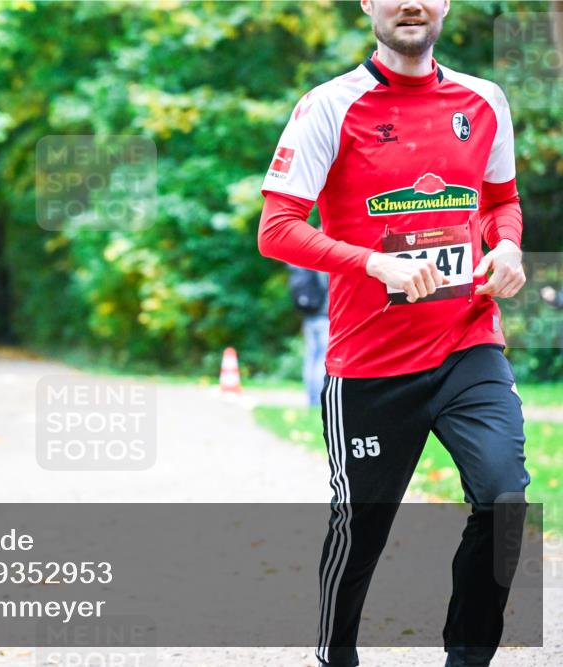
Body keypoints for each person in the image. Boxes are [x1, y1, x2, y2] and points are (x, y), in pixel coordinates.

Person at [256, 1, 530, 666]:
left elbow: (500, 202)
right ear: (367, 4)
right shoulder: (330, 106)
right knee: (363, 527)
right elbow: (277, 228)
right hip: (371, 361)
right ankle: (335, 654)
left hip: (468, 343)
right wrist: (373, 262)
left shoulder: (484, 101)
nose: (411, 2)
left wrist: (509, 246)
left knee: (504, 499)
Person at [288, 264, 330, 407]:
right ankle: (317, 400)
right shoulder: (320, 268)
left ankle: (311, 398)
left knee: (311, 357)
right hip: (324, 318)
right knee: (322, 358)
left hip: (309, 317)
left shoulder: (301, 267)